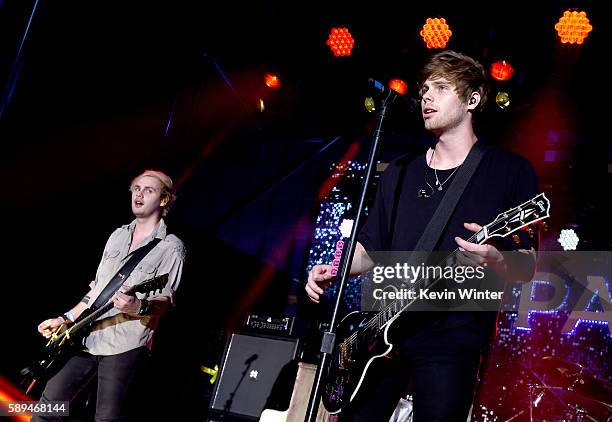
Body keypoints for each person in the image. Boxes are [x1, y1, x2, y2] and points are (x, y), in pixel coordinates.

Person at [306, 50, 540, 421]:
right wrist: (333, 266)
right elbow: (369, 249)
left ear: (473, 99)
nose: (427, 97)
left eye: (442, 88)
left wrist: (496, 258)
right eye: (425, 88)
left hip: (452, 333)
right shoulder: (400, 172)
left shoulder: (508, 171)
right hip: (379, 329)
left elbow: (527, 265)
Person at [33, 169, 185, 422]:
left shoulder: (171, 246)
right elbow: (96, 292)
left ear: (164, 200)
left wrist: (137, 306)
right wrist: (66, 318)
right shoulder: (118, 235)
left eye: (149, 190)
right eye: (136, 188)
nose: (139, 194)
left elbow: (163, 303)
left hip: (126, 344)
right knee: (47, 409)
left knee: (106, 418)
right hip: (87, 336)